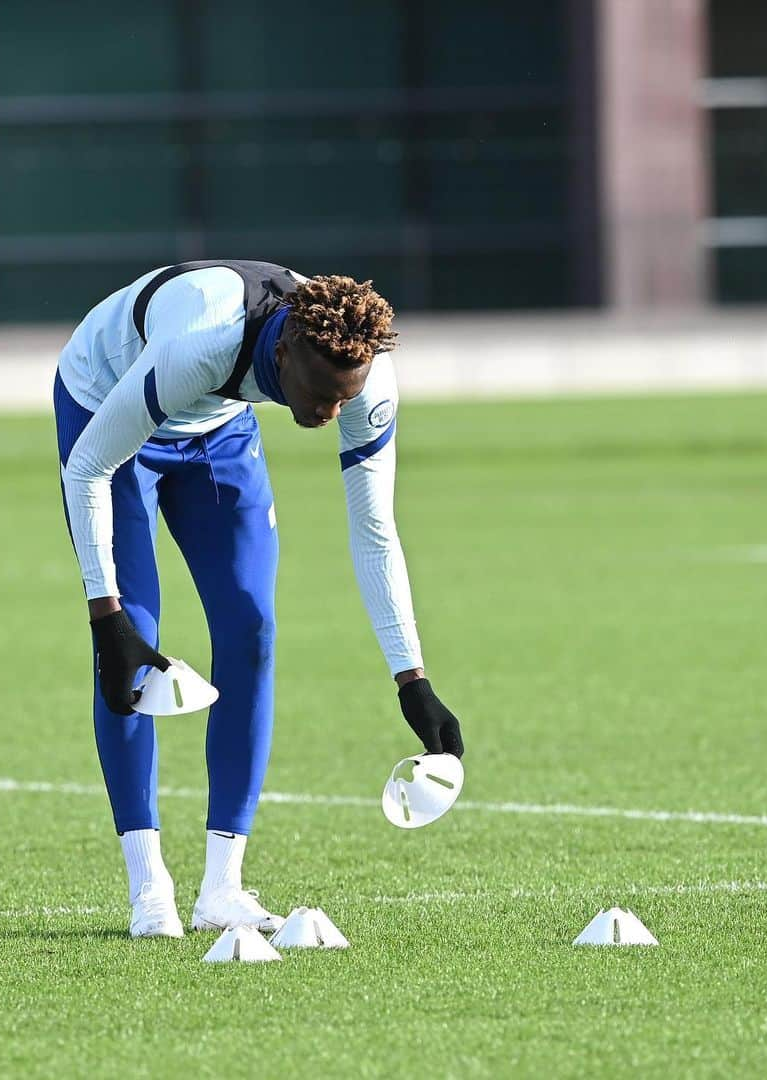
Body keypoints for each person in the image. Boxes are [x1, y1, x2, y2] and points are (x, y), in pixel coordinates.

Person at [54, 261, 464, 939]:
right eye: (319, 395)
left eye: (343, 399)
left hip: (218, 425)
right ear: (282, 351)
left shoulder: (364, 378)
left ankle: (223, 887)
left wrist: (411, 677)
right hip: (108, 408)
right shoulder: (203, 343)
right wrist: (107, 616)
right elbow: (88, 467)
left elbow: (375, 530)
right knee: (136, 640)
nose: (330, 413)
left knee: (252, 628)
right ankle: (148, 886)